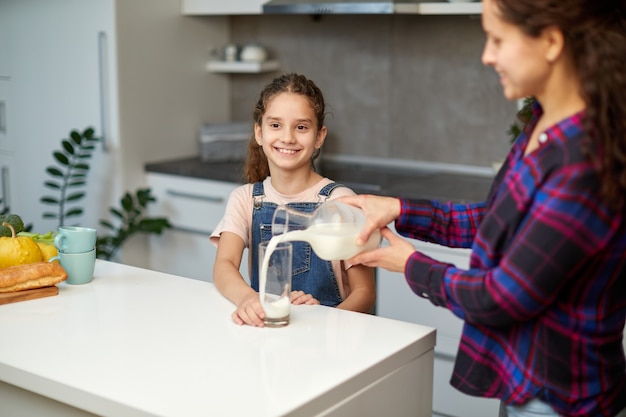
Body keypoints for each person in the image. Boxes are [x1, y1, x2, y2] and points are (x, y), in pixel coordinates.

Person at [339, 0, 626, 416]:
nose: (487, 55)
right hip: (524, 384)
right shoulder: (543, 124)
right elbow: (499, 222)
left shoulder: (584, 160)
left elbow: (503, 297)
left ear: (550, 41)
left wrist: (411, 264)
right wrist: (399, 208)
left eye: (497, 39)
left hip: (563, 398)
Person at [211, 73, 376, 327]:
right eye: (275, 125)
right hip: (269, 329)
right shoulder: (245, 199)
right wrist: (249, 300)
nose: (287, 137)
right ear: (259, 132)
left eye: (301, 127)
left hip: (330, 337)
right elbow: (224, 265)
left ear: (319, 136)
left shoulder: (341, 203)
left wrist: (323, 320)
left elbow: (364, 293)